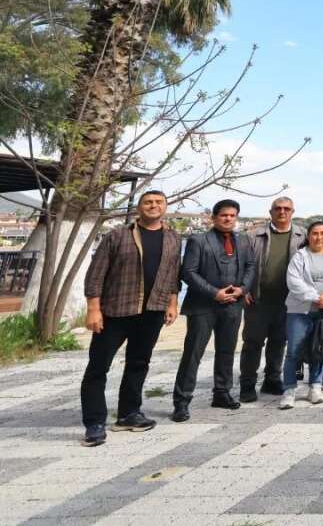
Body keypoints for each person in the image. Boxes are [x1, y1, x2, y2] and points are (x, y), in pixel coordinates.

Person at [80, 190, 181, 446]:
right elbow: (95, 274)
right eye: (148, 202)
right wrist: (93, 308)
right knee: (98, 368)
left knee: (138, 363)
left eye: (159, 202)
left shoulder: (172, 237)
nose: (154, 206)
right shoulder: (118, 235)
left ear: (165, 207)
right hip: (116, 310)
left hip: (153, 311)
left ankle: (128, 414)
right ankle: (94, 423)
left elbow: (172, 275)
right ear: (139, 208)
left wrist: (172, 303)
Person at [172, 199, 257, 422]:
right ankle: (182, 402)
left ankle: (222, 393)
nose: (228, 219)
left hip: (233, 305)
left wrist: (242, 289)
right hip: (203, 306)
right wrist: (214, 293)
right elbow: (188, 272)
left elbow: (250, 267)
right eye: (223, 215)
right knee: (193, 353)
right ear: (214, 217)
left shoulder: (244, 240)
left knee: (226, 351)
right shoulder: (198, 240)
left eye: (232, 216)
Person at [240, 196, 305, 403]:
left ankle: (272, 379)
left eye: (287, 208)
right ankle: (247, 384)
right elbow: (243, 264)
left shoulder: (302, 236)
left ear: (292, 212)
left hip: (288, 301)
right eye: (278, 208)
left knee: (279, 342)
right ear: (271, 212)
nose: (282, 212)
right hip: (258, 299)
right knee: (252, 343)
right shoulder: (254, 235)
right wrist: (244, 289)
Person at [279, 220, 323, 408]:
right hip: (300, 310)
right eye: (315, 233)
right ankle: (289, 389)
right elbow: (293, 281)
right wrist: (316, 297)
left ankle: (315, 387)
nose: (319, 237)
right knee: (294, 350)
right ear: (309, 236)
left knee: (320, 348)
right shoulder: (300, 256)